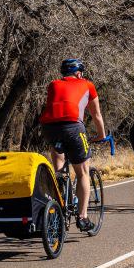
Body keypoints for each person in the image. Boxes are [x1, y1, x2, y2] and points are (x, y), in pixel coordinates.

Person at [40, 59, 106, 232]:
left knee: (59, 167)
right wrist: (101, 135)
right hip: (73, 128)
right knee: (83, 171)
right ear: (79, 73)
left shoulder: (53, 84)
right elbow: (96, 115)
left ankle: (60, 197)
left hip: (49, 129)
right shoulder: (87, 85)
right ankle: (83, 218)